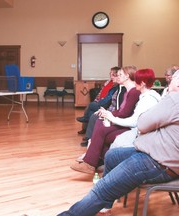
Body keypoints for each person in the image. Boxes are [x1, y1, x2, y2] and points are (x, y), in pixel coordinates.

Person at [57, 70, 179, 216]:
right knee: (112, 155)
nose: (170, 80)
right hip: (158, 155)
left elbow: (142, 123)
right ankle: (106, 203)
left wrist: (169, 95)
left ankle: (101, 196)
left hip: (157, 161)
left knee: (102, 188)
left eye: (173, 78)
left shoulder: (173, 99)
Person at [71, 66, 141, 174]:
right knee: (100, 122)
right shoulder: (129, 91)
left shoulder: (134, 92)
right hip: (124, 121)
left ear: (127, 76)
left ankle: (91, 162)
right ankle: (98, 161)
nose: (118, 77)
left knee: (102, 130)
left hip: (129, 125)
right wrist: (108, 114)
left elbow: (126, 113)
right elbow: (122, 111)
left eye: (120, 75)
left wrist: (109, 114)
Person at [77, 67, 120, 134]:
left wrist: (99, 102)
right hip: (100, 101)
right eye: (110, 73)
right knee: (91, 111)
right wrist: (96, 100)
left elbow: (109, 99)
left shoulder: (116, 85)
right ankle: (88, 132)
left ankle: (86, 126)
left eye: (112, 73)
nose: (110, 74)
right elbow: (100, 93)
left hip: (105, 105)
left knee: (90, 106)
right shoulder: (108, 82)